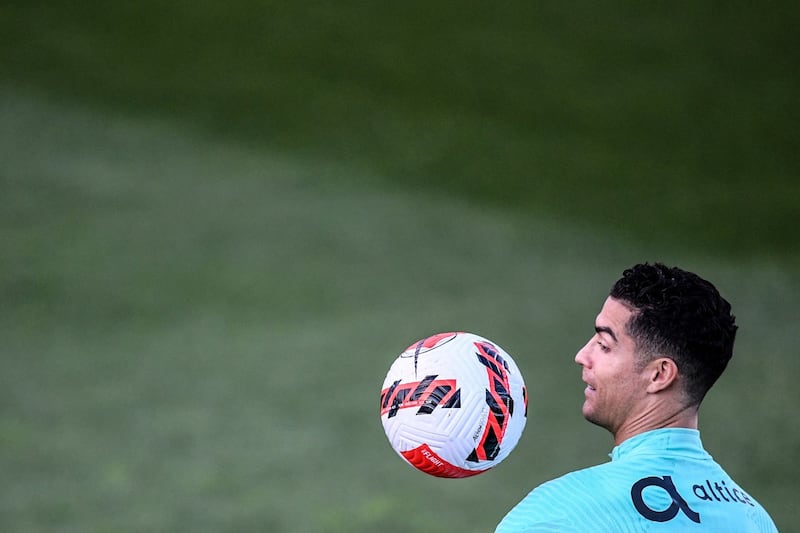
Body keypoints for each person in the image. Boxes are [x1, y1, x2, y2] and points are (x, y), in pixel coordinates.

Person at [495, 263, 778, 532]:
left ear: (659, 375)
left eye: (604, 345)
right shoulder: (755, 520)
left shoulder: (558, 513)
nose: (582, 355)